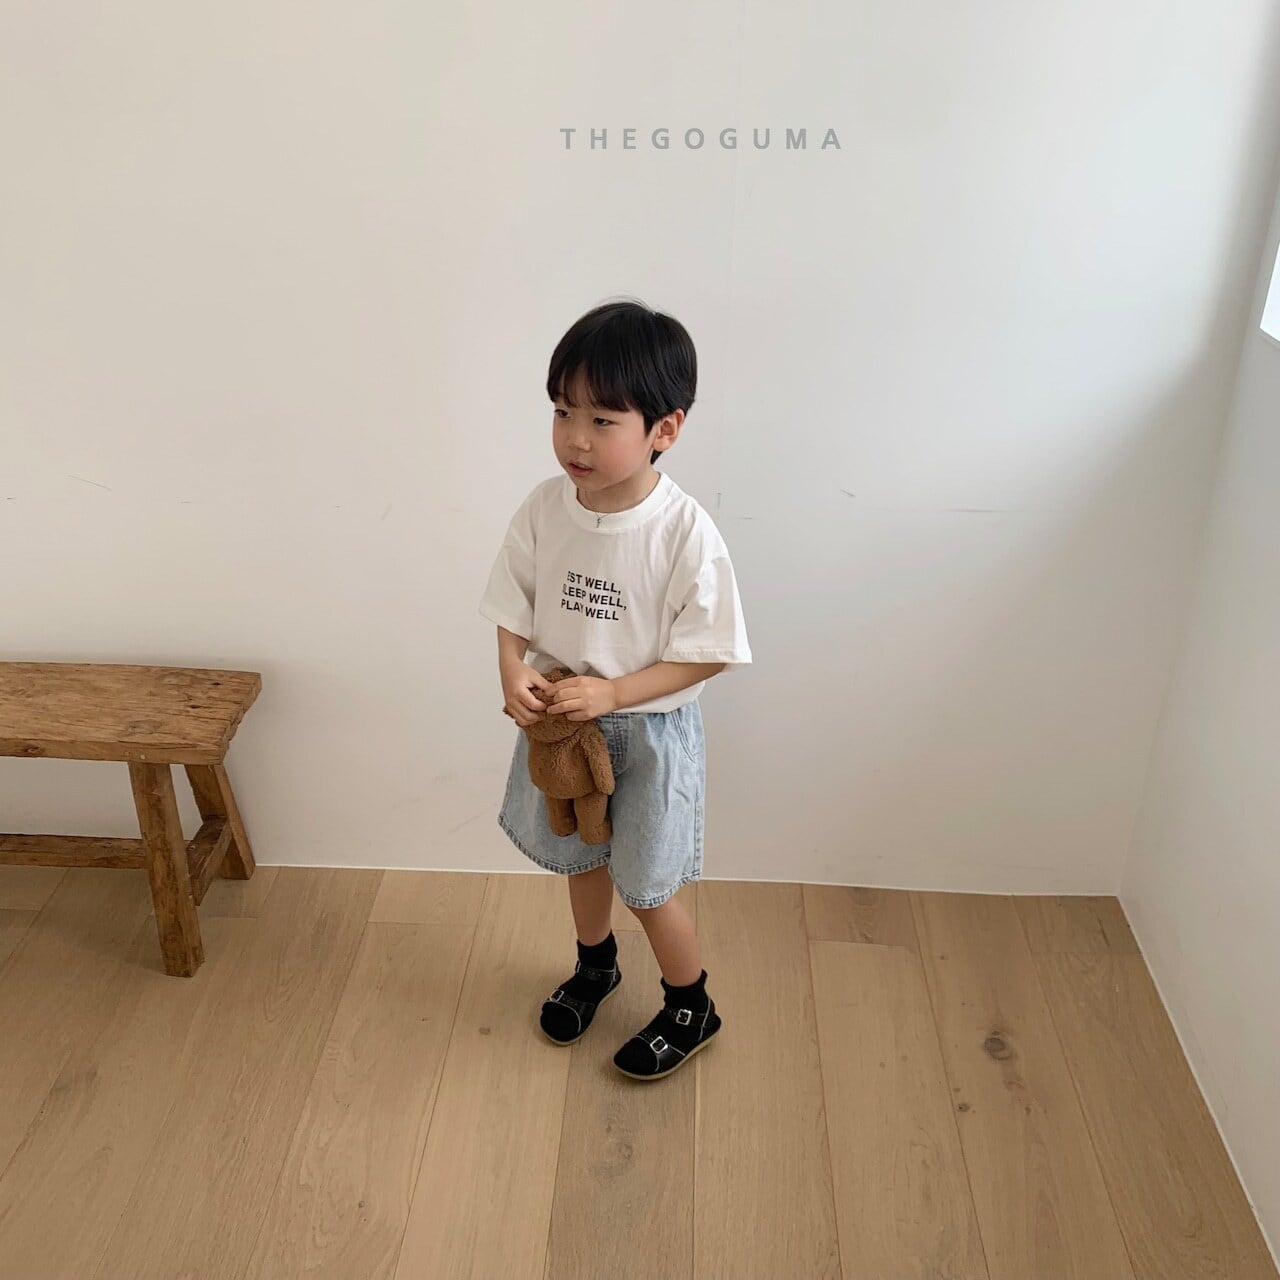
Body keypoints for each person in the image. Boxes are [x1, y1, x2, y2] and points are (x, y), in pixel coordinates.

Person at [478, 298, 752, 1081]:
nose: (576, 438)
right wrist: (512, 669)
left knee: (648, 884)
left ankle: (690, 1004)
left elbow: (708, 655)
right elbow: (511, 605)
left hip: (649, 738)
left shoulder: (683, 531)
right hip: (563, 728)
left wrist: (615, 694)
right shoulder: (545, 508)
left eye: (603, 420)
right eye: (563, 412)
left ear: (665, 428)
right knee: (581, 860)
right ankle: (594, 966)